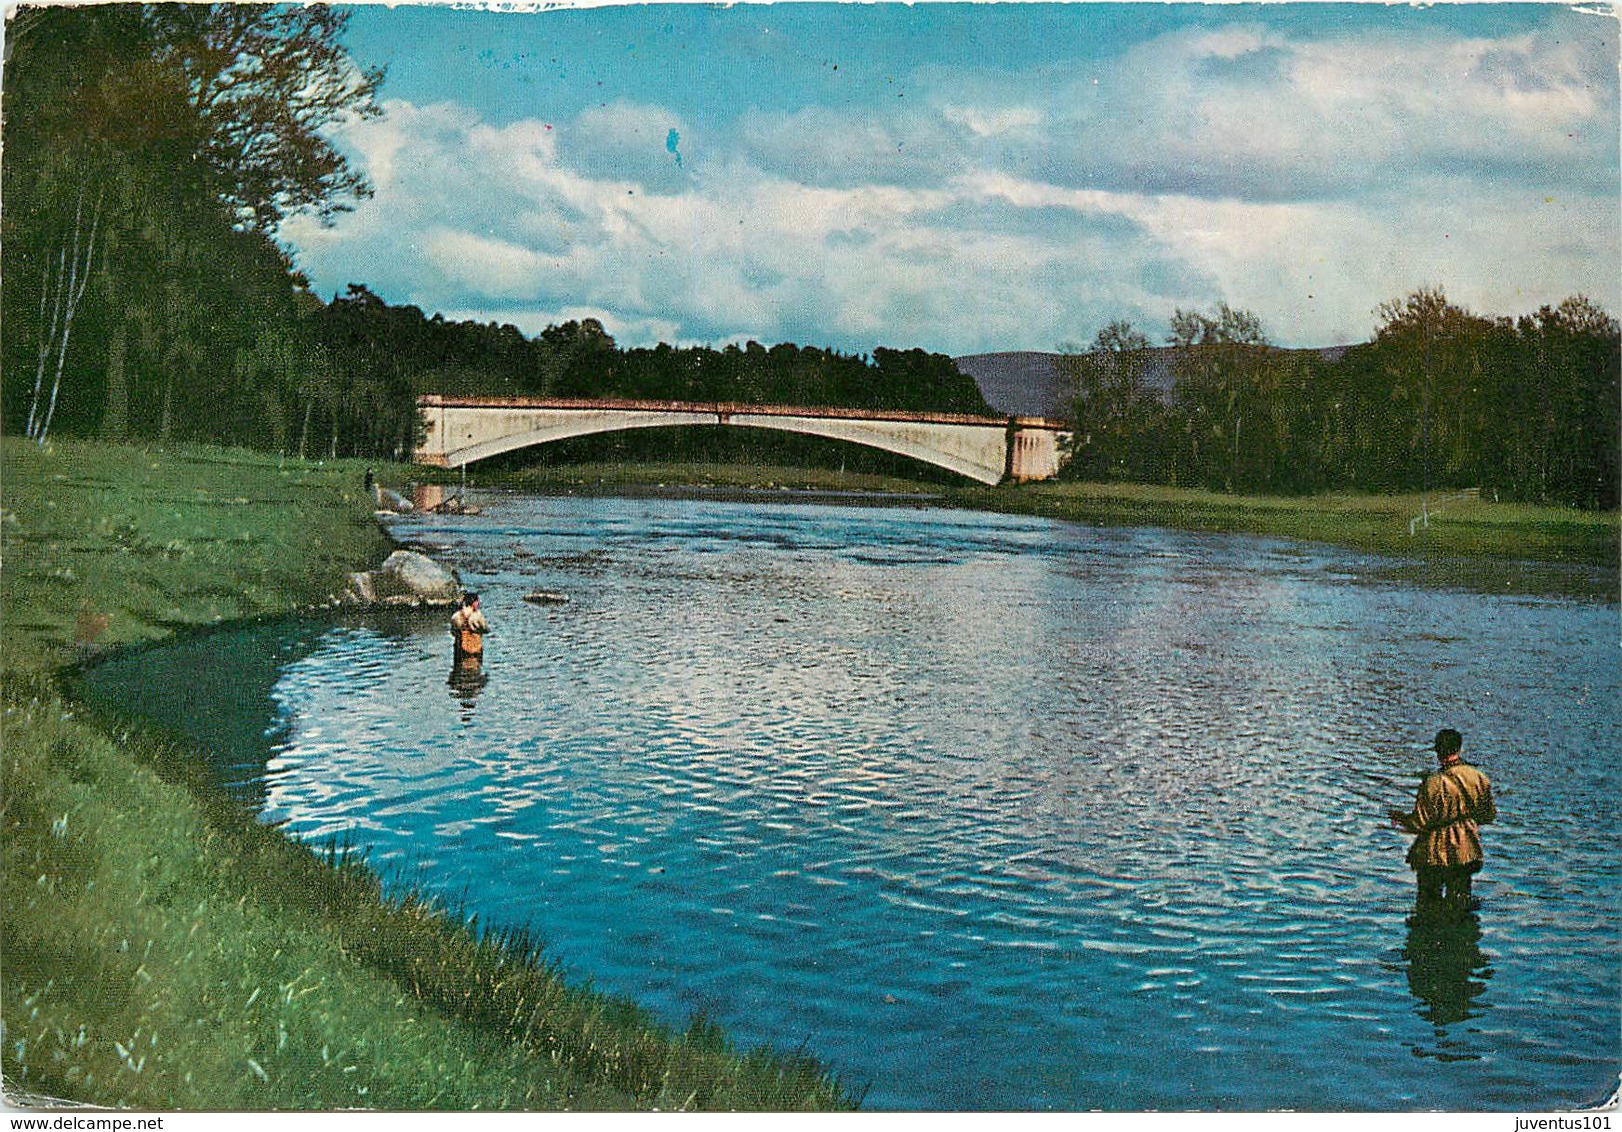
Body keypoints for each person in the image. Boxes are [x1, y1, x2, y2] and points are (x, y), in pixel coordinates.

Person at [1389, 729, 1496, 908]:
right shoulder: (1479, 777)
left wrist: (1401, 819)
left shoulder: (1432, 783)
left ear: (1438, 752)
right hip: (1466, 849)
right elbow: (1488, 815)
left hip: (1434, 853)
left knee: (1428, 903)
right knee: (1461, 901)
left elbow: (1420, 823)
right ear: (1459, 749)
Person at [450, 591, 489, 661]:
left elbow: (453, 632)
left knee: (459, 668)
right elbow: (485, 629)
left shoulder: (456, 616)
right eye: (477, 601)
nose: (478, 603)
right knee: (475, 669)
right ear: (473, 602)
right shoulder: (478, 615)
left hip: (459, 649)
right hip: (475, 649)